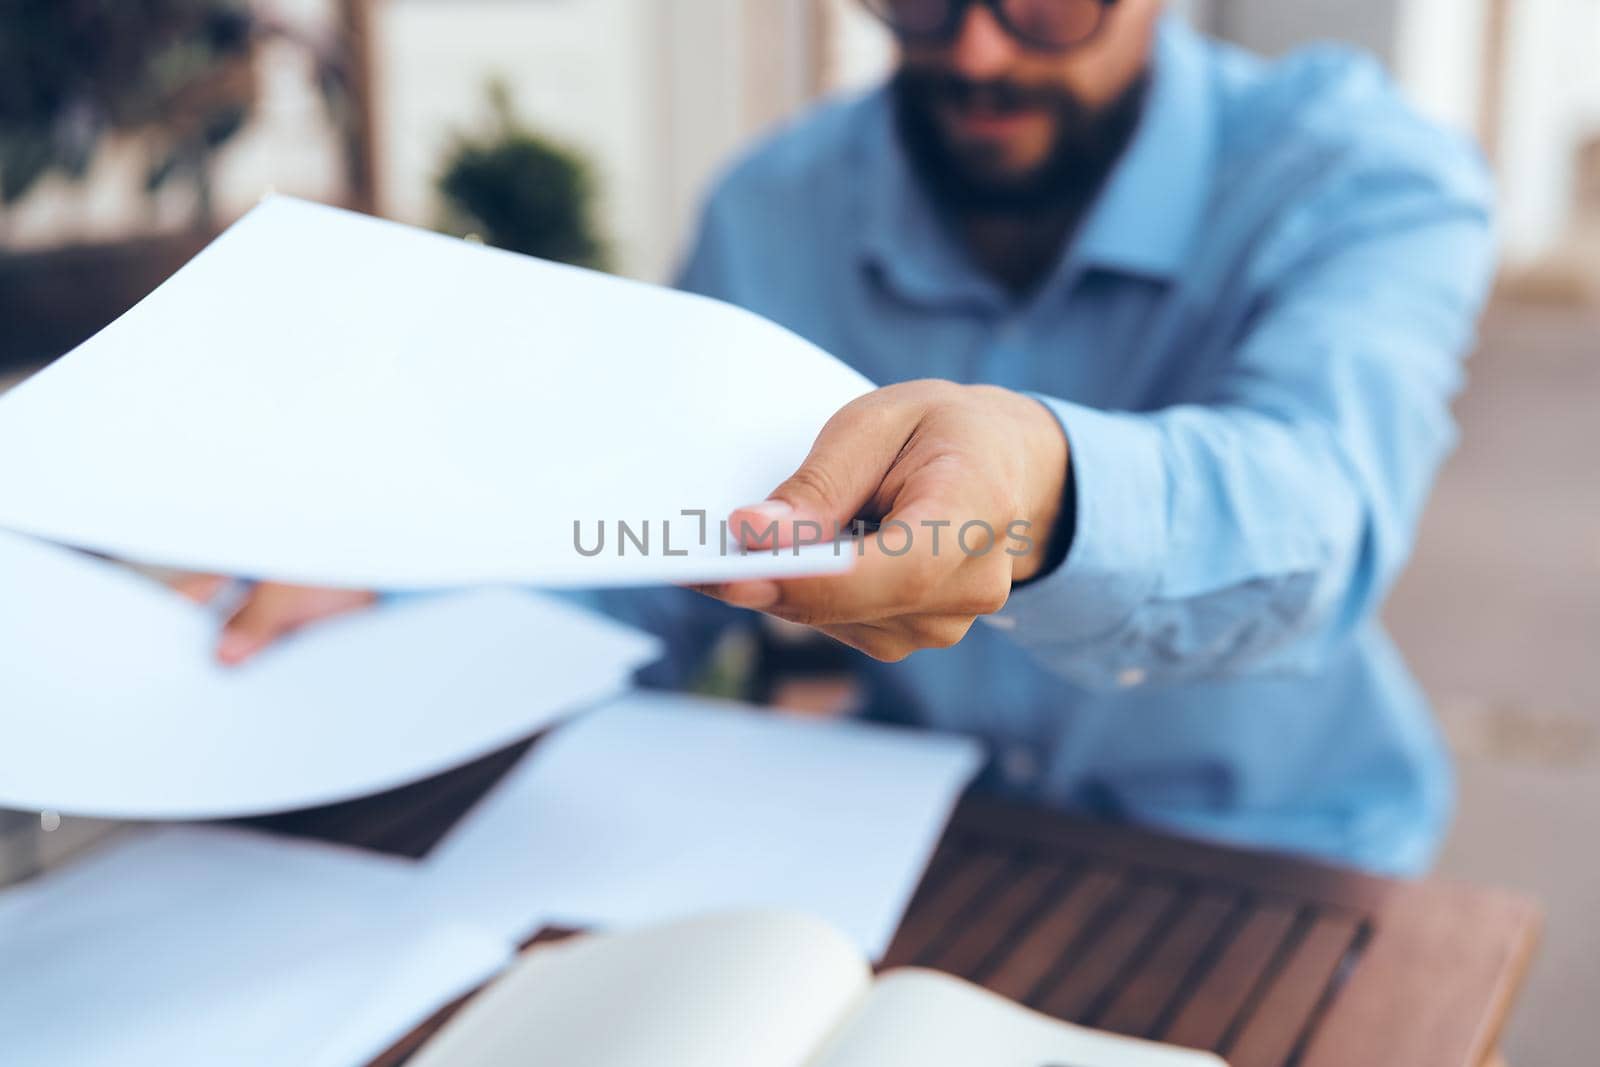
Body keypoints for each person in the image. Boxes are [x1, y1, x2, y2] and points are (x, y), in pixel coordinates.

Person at [186, 0, 1496, 875]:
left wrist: (1042, 495)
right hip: (919, 844)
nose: (977, 51)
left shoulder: (1362, 172)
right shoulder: (772, 206)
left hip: (1281, 855)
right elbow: (661, 549)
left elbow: (1323, 510)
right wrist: (398, 580)